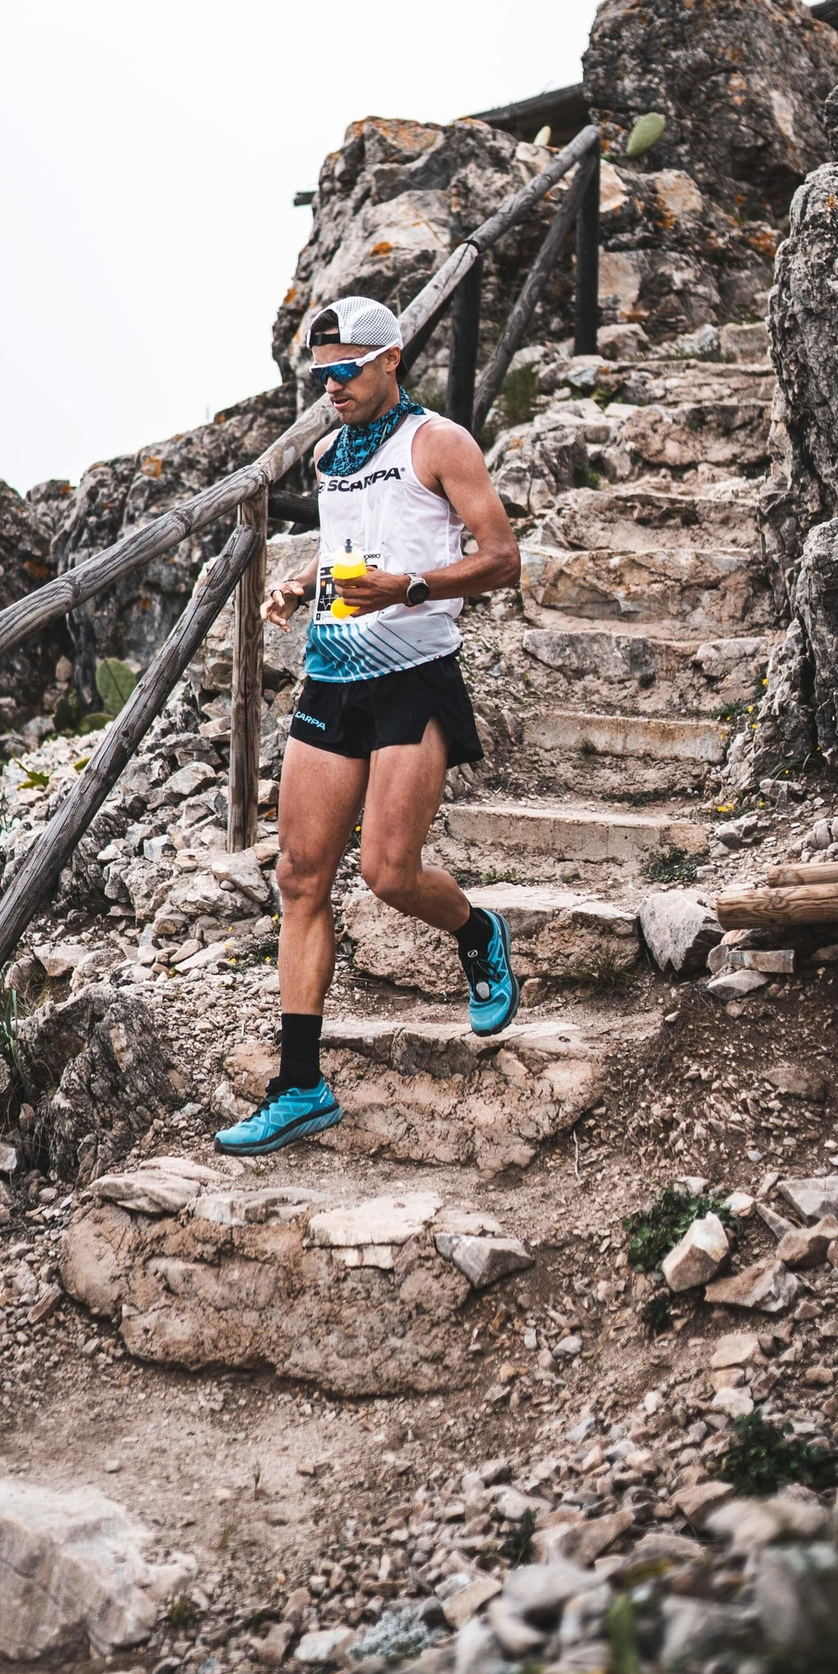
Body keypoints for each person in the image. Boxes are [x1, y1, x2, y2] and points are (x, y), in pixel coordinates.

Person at [216, 294, 524, 1157]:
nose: (332, 388)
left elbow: (502, 558)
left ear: (392, 360)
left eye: (346, 371)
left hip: (414, 674)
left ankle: (476, 932)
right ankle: (300, 1085)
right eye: (321, 376)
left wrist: (412, 589)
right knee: (300, 878)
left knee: (389, 873)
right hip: (332, 673)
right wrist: (302, 582)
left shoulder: (441, 443)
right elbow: (353, 545)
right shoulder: (326, 452)